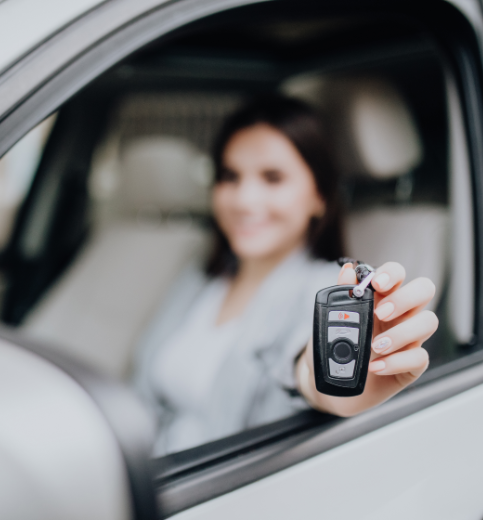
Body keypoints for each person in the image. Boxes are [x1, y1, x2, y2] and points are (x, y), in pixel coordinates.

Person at [133, 96, 437, 456]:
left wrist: (335, 383)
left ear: (320, 196)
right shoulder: (199, 278)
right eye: (230, 176)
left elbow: (302, 368)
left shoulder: (329, 290)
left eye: (272, 178)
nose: (244, 199)